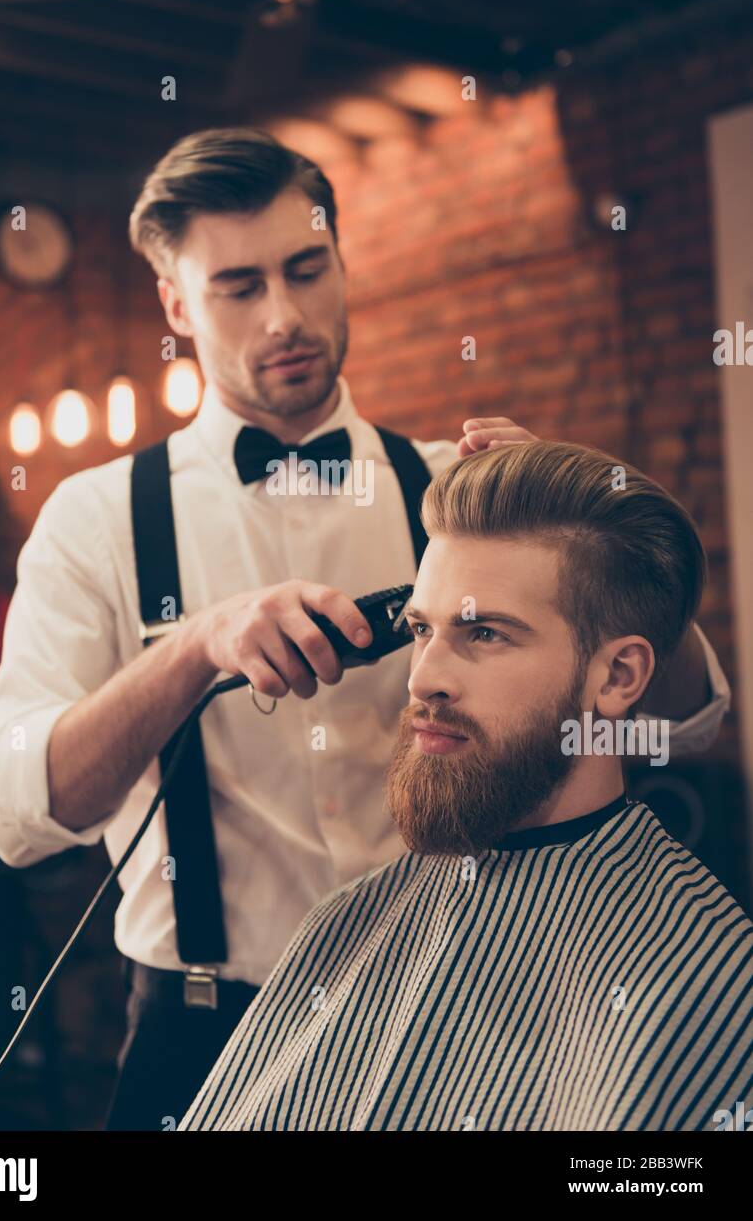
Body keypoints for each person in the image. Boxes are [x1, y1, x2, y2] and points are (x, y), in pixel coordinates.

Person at [0, 130, 729, 1130]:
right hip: (205, 1025)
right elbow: (16, 814)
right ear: (175, 305)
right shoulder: (96, 518)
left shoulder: (452, 490)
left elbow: (682, 725)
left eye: (306, 268)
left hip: (444, 999)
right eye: (238, 286)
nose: (284, 316)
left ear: (342, 259)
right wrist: (194, 649)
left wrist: (600, 558)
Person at [178, 440, 753, 1133]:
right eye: (421, 629)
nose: (422, 678)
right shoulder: (346, 923)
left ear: (617, 677)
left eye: (483, 633)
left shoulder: (706, 976)